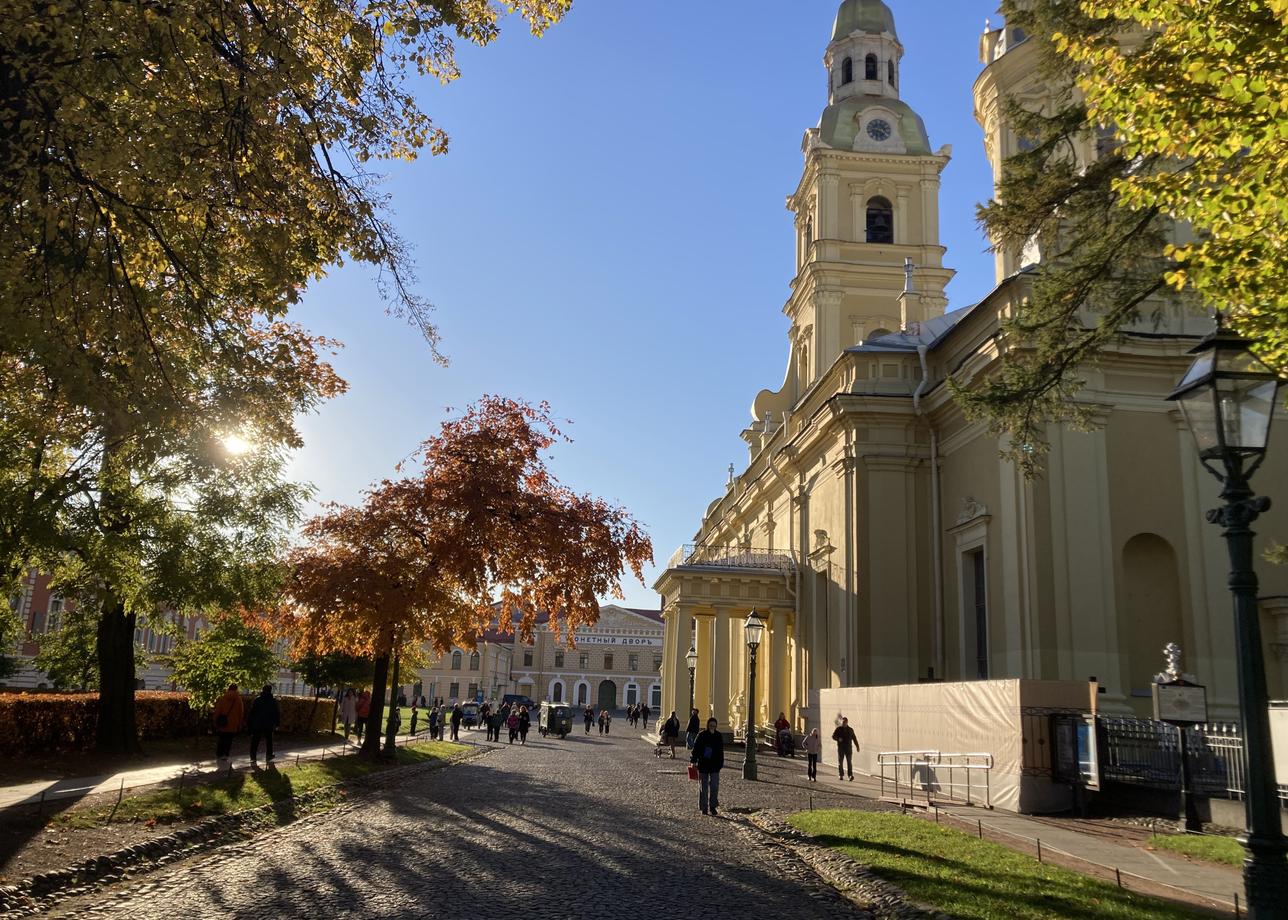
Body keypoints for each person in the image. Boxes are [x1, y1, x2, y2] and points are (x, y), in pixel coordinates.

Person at [691, 717, 725, 816]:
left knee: (714, 786)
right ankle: (704, 807)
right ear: (707, 725)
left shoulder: (718, 736)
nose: (712, 728)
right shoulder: (701, 735)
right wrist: (693, 761)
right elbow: (695, 749)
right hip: (703, 764)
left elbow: (721, 751)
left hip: (715, 765)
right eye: (711, 726)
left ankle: (713, 806)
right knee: (703, 787)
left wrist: (720, 763)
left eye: (714, 726)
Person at [247, 684, 281, 766]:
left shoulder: (257, 700)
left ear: (262, 690)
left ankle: (253, 757)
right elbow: (276, 713)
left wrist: (250, 723)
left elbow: (252, 713)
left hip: (258, 723)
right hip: (269, 724)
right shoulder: (273, 701)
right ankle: (269, 755)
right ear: (270, 690)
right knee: (269, 740)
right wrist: (277, 724)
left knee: (255, 741)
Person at [213, 683, 245, 766]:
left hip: (223, 722)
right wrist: (240, 723)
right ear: (236, 689)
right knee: (229, 740)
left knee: (221, 739)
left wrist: (215, 720)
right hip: (233, 723)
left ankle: (219, 753)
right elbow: (240, 713)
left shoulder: (223, 698)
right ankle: (225, 754)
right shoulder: (238, 699)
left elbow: (218, 710)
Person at [832, 716, 859, 781]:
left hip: (848, 748)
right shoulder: (838, 729)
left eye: (845, 722)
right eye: (843, 722)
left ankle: (850, 775)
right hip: (841, 748)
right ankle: (841, 774)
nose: (844, 723)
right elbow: (833, 736)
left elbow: (854, 738)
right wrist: (838, 739)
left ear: (847, 722)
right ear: (842, 722)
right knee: (840, 762)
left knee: (849, 762)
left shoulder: (850, 730)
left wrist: (857, 746)